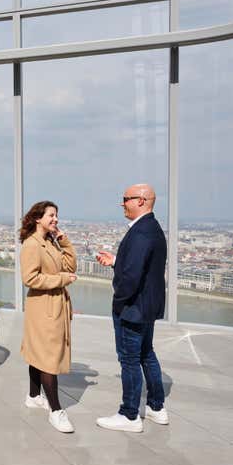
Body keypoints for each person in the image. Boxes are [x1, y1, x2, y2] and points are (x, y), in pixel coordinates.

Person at [95, 184, 168, 432]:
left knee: (129, 359)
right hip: (147, 307)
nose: (122, 203)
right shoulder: (152, 228)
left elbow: (132, 277)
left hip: (133, 308)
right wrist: (116, 261)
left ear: (141, 200)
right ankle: (157, 407)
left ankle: (129, 414)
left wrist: (119, 300)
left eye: (125, 199)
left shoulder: (140, 233)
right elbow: (142, 268)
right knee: (146, 354)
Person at [20, 200, 78, 433]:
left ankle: (34, 395)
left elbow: (70, 266)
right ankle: (56, 410)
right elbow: (30, 278)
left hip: (52, 305)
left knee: (39, 353)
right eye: (51, 215)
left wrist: (63, 240)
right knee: (48, 358)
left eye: (56, 215)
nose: (55, 219)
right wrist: (62, 280)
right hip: (43, 307)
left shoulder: (49, 241)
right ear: (37, 218)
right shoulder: (32, 245)